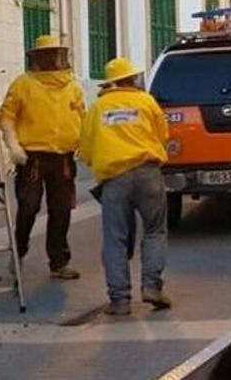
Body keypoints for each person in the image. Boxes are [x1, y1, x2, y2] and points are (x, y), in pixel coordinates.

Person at [79, 58, 171, 316]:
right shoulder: (147, 102)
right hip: (148, 174)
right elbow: (163, 135)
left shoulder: (97, 107)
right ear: (132, 79)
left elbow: (85, 149)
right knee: (154, 232)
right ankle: (151, 287)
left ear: (110, 83)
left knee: (115, 239)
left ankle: (120, 300)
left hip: (114, 180)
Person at [0, 35, 85, 280]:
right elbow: (6, 117)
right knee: (28, 206)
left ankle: (59, 261)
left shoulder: (72, 86)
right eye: (47, 55)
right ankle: (19, 252)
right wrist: (14, 146)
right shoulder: (22, 84)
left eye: (56, 55)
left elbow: (84, 119)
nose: (53, 60)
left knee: (61, 210)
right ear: (37, 58)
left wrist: (87, 147)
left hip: (64, 158)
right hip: (32, 158)